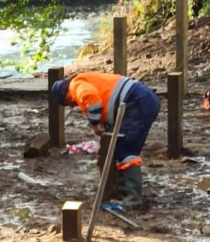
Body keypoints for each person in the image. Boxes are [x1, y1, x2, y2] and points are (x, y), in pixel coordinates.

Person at [51, 72, 160, 208]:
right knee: (121, 147)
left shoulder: (76, 85)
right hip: (141, 101)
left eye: (66, 103)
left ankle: (132, 200)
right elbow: (107, 106)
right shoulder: (84, 81)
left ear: (64, 93)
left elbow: (91, 99)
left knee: (126, 149)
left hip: (137, 102)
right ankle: (123, 193)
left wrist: (95, 123)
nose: (72, 105)